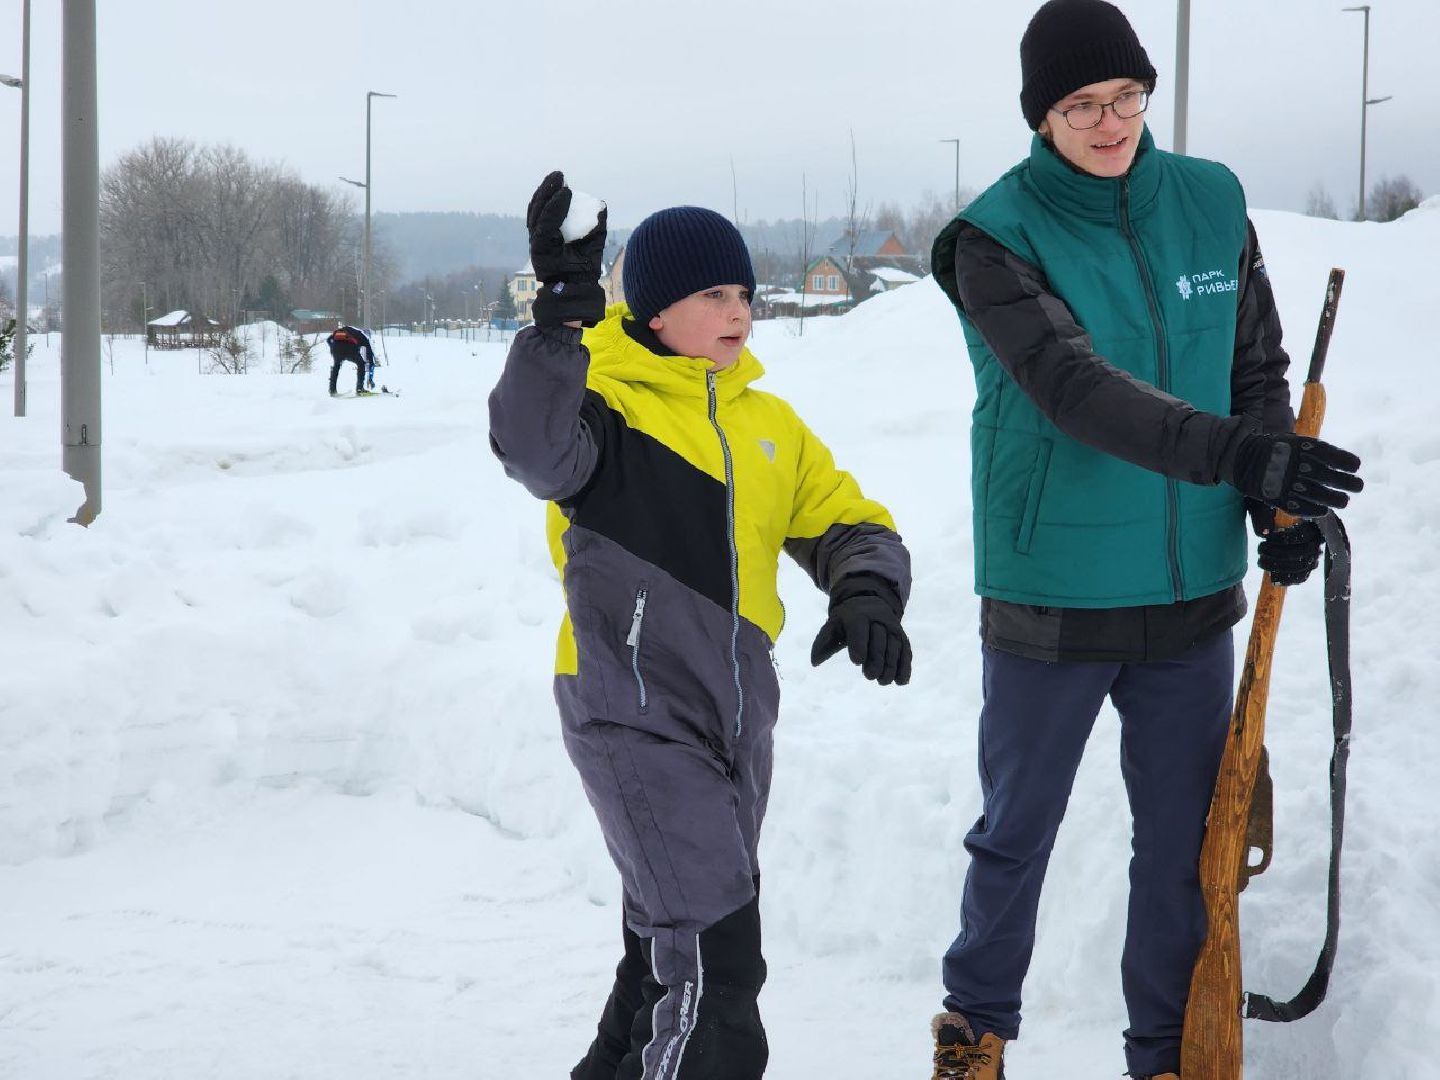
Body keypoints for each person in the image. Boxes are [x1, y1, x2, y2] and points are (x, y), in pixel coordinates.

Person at [925, 3, 1364, 1078]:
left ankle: (1166, 1058)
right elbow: (1072, 386)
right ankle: (974, 1038)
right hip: (1052, 590)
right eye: (1081, 106)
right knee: (1016, 835)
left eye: (1127, 97)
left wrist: (1273, 501)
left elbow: (1252, 370)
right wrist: (1240, 460)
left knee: (1182, 851)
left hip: (1190, 596)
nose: (1110, 121)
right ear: (1043, 115)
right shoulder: (994, 236)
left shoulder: (1210, 202)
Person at [488, 171, 913, 1079]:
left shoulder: (769, 424)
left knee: (658, 959)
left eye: (744, 294)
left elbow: (849, 520)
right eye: (711, 295)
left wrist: (867, 588)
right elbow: (529, 447)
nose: (737, 313)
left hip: (732, 725)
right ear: (651, 306)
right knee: (718, 973)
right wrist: (558, 329)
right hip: (630, 709)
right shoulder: (604, 405)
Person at [326, 323, 375, 396]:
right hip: (350, 349)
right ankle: (359, 388)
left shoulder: (342, 330)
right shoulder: (363, 336)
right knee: (361, 364)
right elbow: (369, 354)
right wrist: (371, 364)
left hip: (336, 349)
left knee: (336, 366)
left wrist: (332, 348)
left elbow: (328, 340)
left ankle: (332, 390)